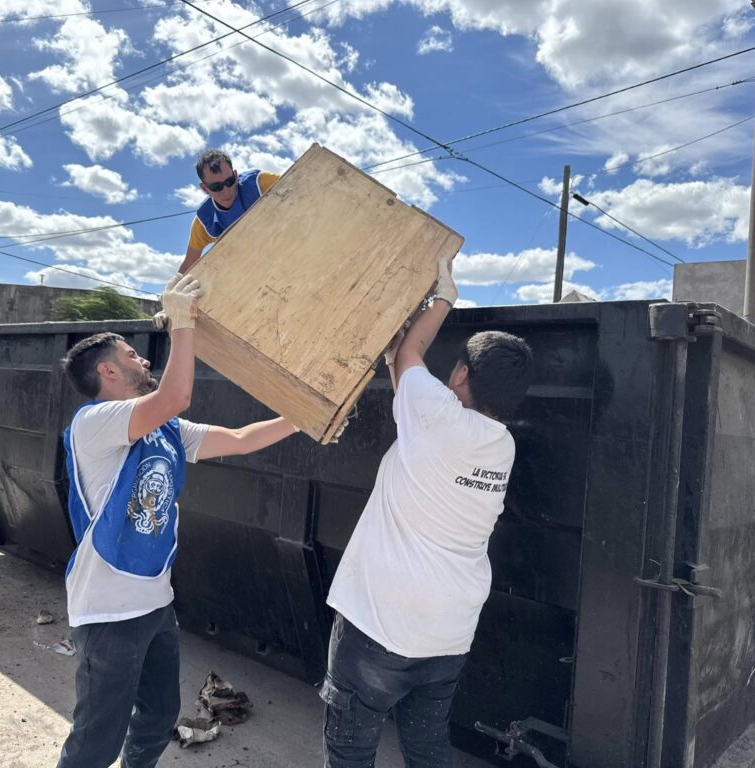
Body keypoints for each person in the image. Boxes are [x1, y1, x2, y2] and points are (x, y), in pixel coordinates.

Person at [56, 272, 298, 768]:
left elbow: (239, 439)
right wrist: (183, 323)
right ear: (107, 372)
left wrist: (306, 417)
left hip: (155, 602)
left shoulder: (165, 428)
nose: (142, 359)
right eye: (130, 356)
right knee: (95, 739)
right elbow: (175, 395)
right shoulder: (94, 423)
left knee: (158, 715)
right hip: (107, 612)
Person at [321, 258, 536, 768]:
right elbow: (410, 391)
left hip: (382, 623)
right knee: (427, 748)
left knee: (350, 750)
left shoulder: (438, 415)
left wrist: (442, 298)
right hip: (449, 631)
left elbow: (411, 355)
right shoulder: (500, 445)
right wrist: (404, 353)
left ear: (461, 373)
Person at [178, 149, 280, 274]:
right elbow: (189, 263)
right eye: (217, 187)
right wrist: (168, 292)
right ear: (205, 188)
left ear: (236, 176)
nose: (226, 191)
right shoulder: (204, 222)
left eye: (229, 182)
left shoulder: (260, 184)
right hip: (254, 269)